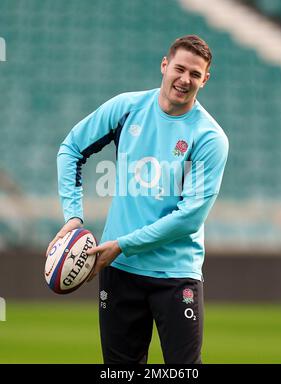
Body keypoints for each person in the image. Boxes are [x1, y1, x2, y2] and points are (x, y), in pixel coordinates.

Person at [46, 35, 229, 364]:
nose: (185, 79)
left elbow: (189, 217)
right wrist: (73, 217)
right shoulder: (126, 109)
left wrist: (122, 244)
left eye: (195, 74)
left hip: (175, 274)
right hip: (121, 271)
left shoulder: (210, 137)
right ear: (164, 65)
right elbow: (70, 149)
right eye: (179, 68)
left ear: (205, 79)